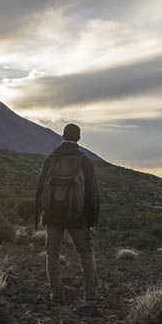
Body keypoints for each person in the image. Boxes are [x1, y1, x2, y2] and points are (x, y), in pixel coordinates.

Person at [35, 123, 100, 301]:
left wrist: (41, 212)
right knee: (85, 252)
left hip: (52, 214)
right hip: (78, 217)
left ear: (63, 136)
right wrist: (92, 219)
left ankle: (55, 293)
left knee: (52, 253)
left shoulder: (51, 158)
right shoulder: (83, 161)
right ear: (78, 138)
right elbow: (91, 193)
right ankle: (90, 294)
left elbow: (41, 188)